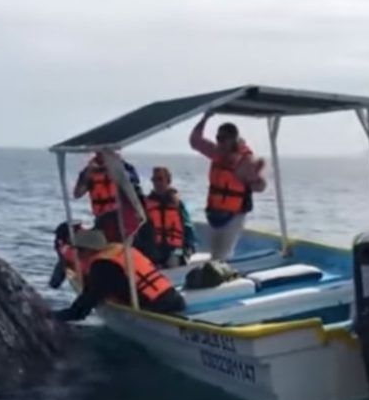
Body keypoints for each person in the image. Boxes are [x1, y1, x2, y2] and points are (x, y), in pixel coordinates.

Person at [52, 229, 186, 322]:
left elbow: (87, 301)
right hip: (174, 297)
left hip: (159, 306)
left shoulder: (103, 266)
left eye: (79, 250)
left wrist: (57, 316)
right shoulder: (118, 250)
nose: (78, 255)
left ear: (89, 250)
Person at [189, 112, 267, 260]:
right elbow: (195, 141)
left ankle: (221, 277)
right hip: (214, 213)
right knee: (215, 254)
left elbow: (261, 186)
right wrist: (205, 119)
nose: (220, 143)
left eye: (223, 139)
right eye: (218, 138)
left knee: (221, 256)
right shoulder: (216, 153)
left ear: (233, 140)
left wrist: (255, 180)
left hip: (234, 215)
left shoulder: (245, 161)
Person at [144, 166, 197, 268]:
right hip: (154, 251)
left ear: (168, 181)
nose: (157, 183)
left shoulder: (178, 205)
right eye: (154, 179)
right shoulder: (147, 204)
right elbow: (142, 232)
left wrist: (188, 249)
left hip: (175, 250)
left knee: (173, 262)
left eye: (160, 179)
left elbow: (188, 228)